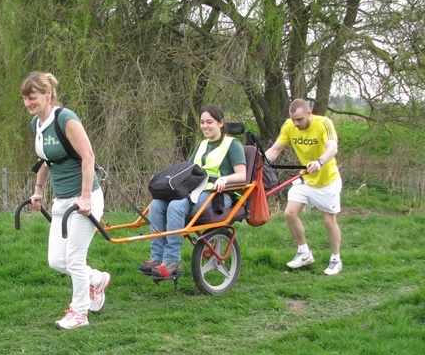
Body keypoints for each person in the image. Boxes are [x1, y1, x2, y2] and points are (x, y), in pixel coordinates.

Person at [22, 72, 111, 329]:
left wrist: (85, 198)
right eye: (25, 99)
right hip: (61, 201)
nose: (29, 103)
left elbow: (88, 156)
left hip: (85, 200)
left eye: (33, 97)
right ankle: (97, 280)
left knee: (74, 259)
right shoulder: (36, 125)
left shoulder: (66, 119)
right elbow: (46, 161)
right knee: (57, 261)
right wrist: (39, 190)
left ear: (47, 94)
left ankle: (79, 313)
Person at [140, 104, 247, 279]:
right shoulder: (201, 145)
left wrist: (224, 179)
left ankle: (172, 260)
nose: (205, 126)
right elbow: (189, 170)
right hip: (195, 190)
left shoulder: (233, 145)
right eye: (202, 122)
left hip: (219, 195)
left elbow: (242, 175)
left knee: (176, 206)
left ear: (220, 123)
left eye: (209, 122)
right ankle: (157, 257)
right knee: (157, 205)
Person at [264, 98, 343, 275]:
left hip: (327, 180)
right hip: (305, 179)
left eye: (299, 119)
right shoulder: (289, 126)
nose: (296, 123)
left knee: (329, 222)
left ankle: (335, 259)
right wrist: (260, 164)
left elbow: (332, 147)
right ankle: (304, 253)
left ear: (309, 113)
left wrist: (320, 161)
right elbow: (275, 149)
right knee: (289, 213)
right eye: (293, 119)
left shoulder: (324, 124)